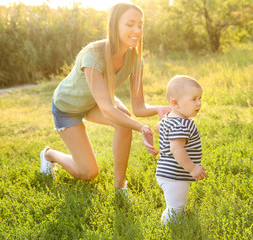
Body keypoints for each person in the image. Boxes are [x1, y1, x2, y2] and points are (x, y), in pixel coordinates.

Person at [39, 2, 171, 191]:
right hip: (67, 108)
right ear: (114, 24)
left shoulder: (135, 59)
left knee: (124, 119)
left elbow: (139, 107)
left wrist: (158, 109)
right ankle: (49, 155)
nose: (137, 30)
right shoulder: (93, 55)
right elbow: (108, 109)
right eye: (130, 24)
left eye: (140, 25)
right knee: (88, 173)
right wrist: (141, 127)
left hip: (95, 102)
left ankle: (120, 188)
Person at [155, 75, 207, 224]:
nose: (199, 103)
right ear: (175, 103)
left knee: (177, 204)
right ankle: (167, 229)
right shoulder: (181, 124)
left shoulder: (169, 117)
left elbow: (159, 126)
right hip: (175, 176)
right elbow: (177, 149)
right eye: (194, 99)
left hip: (167, 172)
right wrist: (192, 169)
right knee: (175, 207)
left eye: (200, 98)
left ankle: (177, 219)